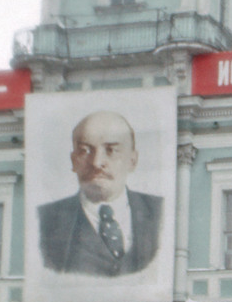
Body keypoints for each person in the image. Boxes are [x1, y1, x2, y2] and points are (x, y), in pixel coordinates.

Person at [38, 111, 162, 277]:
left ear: (133, 160)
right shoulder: (44, 220)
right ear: (74, 161)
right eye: (85, 151)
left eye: (111, 150)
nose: (97, 163)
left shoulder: (161, 212)